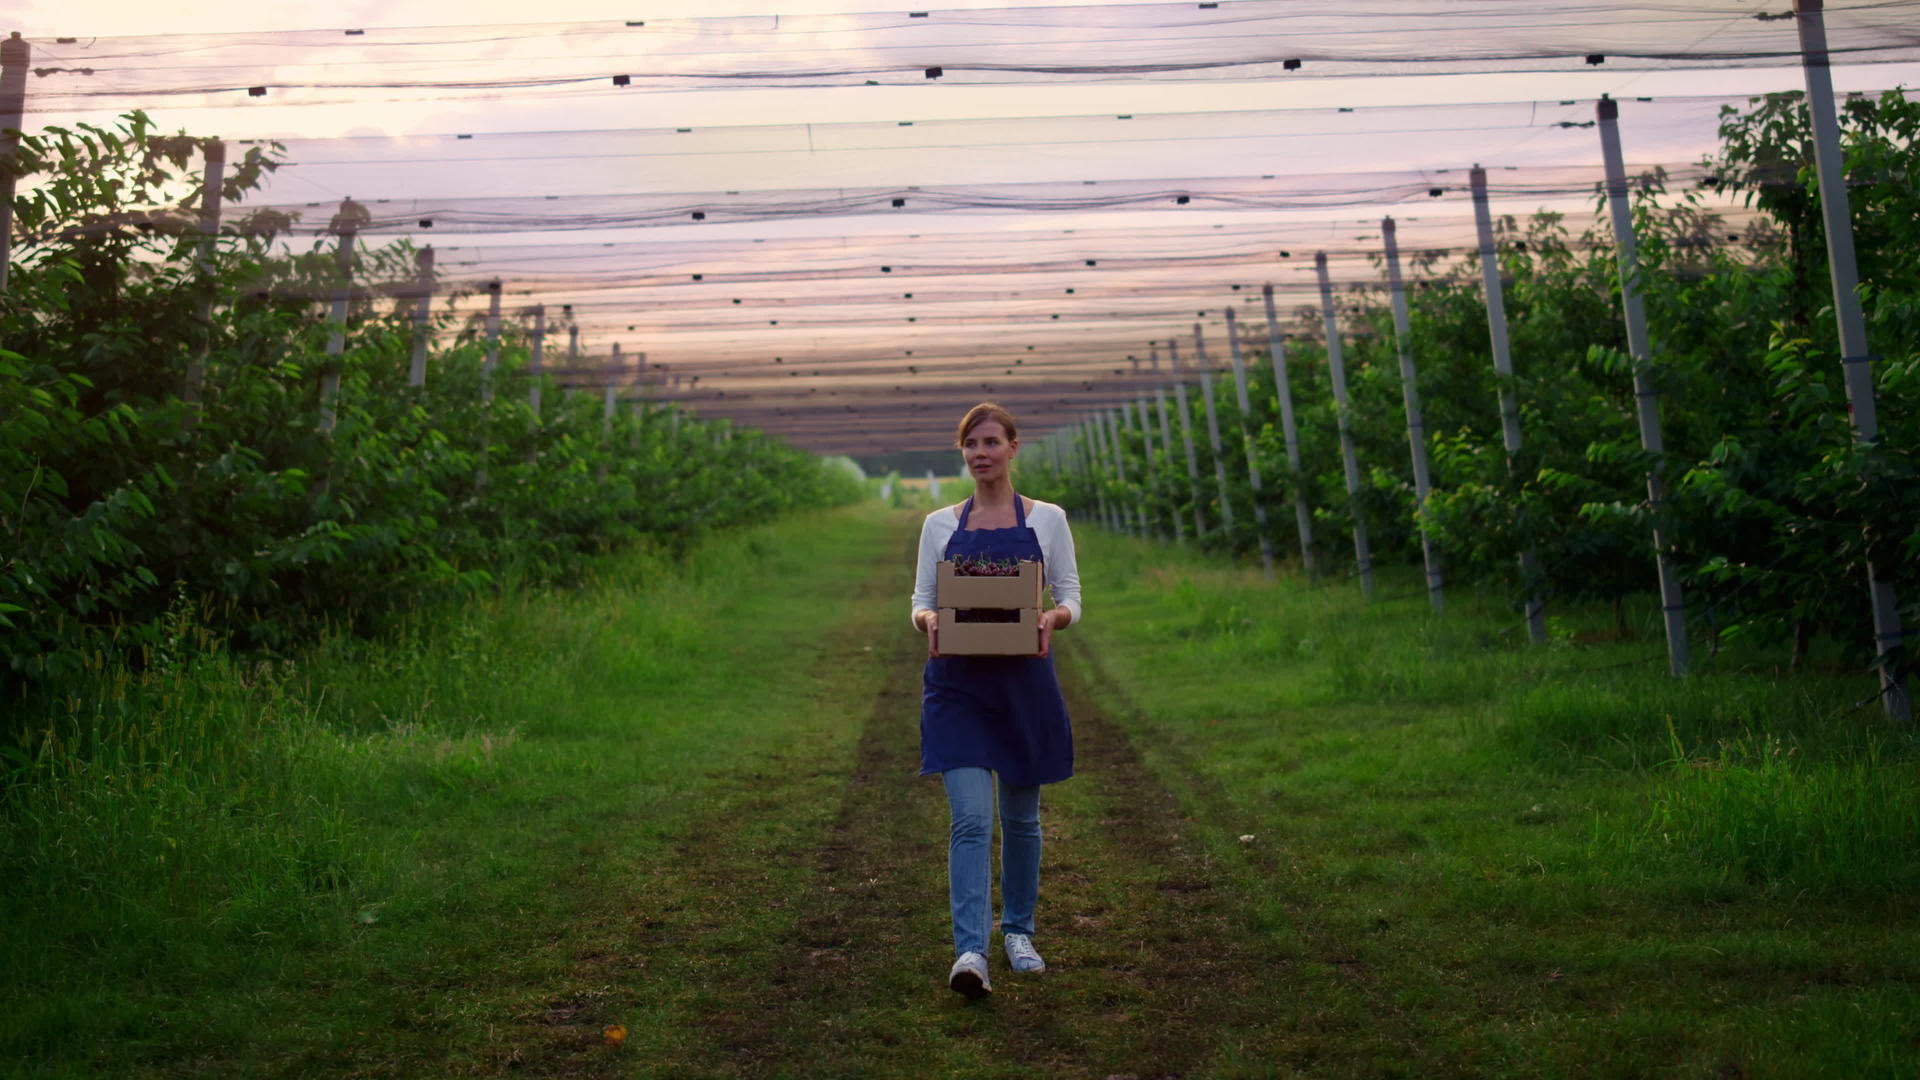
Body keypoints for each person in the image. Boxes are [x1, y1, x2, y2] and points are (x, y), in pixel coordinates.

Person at [909, 402, 1081, 999]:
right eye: (970, 444)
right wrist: (929, 620)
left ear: (1013, 447)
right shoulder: (939, 524)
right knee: (972, 820)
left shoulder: (1048, 520)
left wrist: (1052, 618)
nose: (980, 453)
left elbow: (1072, 596)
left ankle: (1019, 932)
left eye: (990, 442)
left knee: (1021, 819)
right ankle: (970, 951)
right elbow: (921, 600)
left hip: (1022, 685)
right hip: (957, 687)